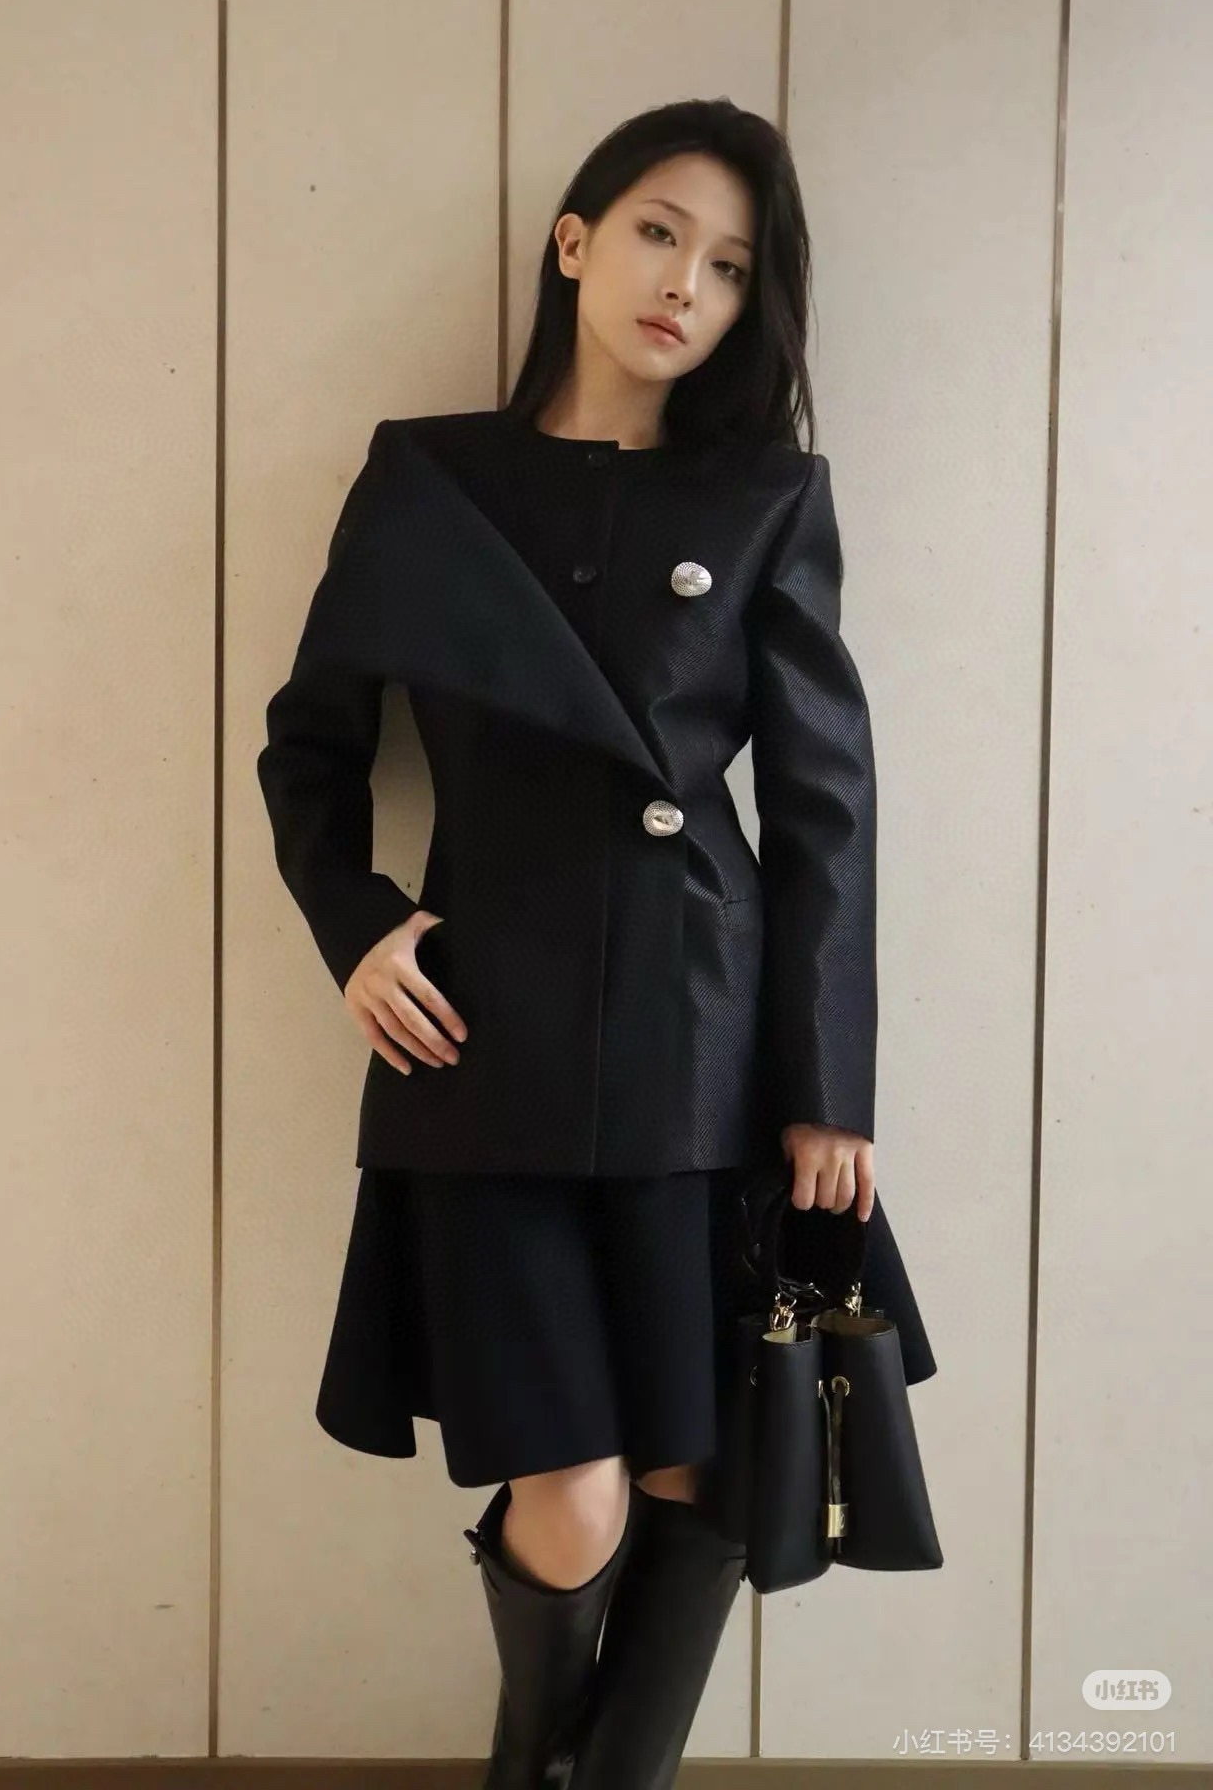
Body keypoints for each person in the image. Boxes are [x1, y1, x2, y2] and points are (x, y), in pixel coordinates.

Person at [256, 95, 937, 1789]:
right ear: (575, 240)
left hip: (699, 1045)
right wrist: (356, 927)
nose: (684, 284)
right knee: (568, 1484)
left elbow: (827, 812)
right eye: (656, 232)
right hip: (478, 1041)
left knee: (697, 1473)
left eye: (730, 267)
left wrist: (828, 1089)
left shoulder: (766, 497)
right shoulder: (429, 481)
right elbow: (309, 747)